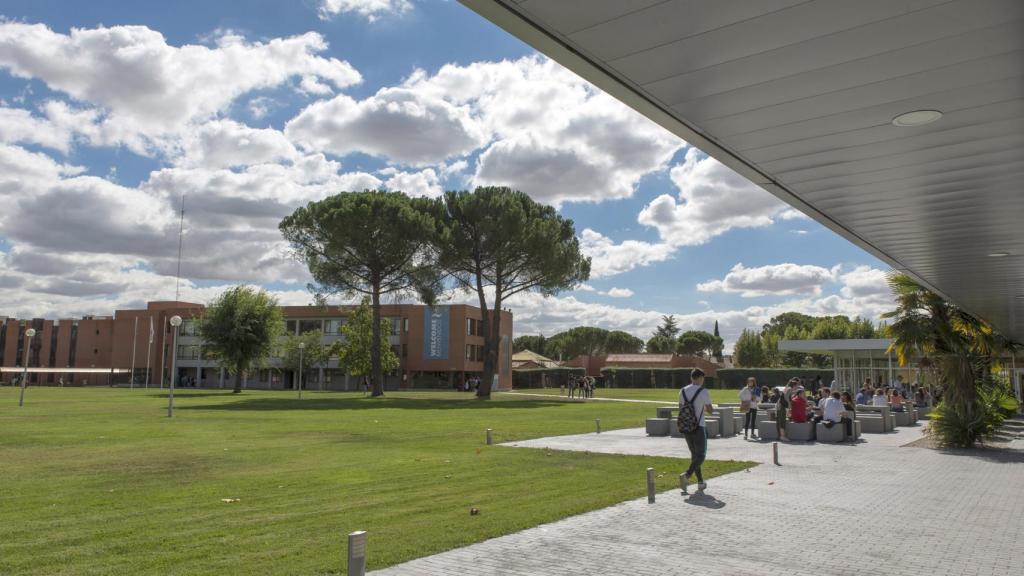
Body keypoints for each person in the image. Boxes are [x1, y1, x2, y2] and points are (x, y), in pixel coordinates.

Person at [680, 368, 713, 491]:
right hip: (699, 426)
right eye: (703, 378)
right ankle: (687, 475)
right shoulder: (703, 391)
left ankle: (700, 482)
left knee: (694, 455)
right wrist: (703, 408)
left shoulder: (682, 391)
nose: (703, 381)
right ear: (699, 378)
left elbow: (681, 409)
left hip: (686, 427)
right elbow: (710, 410)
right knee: (701, 455)